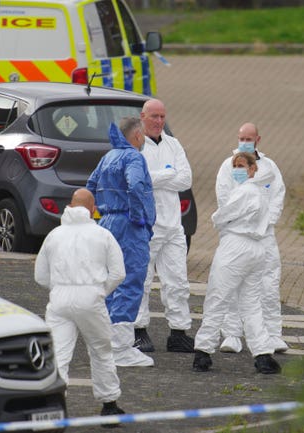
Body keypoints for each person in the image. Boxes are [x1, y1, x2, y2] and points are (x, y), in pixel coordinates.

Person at [34, 188, 127, 420]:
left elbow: (40, 276)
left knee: (57, 354)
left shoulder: (54, 234)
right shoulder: (102, 234)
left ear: (70, 206)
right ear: (92, 209)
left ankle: (53, 407)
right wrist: (99, 291)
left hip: (59, 300)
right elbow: (118, 273)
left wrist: (58, 288)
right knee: (101, 351)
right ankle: (109, 405)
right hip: (91, 297)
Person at [193, 152, 281, 374]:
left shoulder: (244, 191)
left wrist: (217, 219)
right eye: (235, 165)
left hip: (235, 247)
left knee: (217, 298)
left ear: (253, 169)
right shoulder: (261, 193)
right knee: (251, 303)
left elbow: (222, 216)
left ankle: (203, 352)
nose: (237, 169)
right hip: (256, 248)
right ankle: (262, 354)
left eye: (241, 165)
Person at [86, 117, 156, 367]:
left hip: (107, 222)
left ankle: (106, 342)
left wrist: (97, 215)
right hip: (128, 225)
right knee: (130, 280)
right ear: (137, 135)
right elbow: (136, 185)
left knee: (110, 279)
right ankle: (122, 347)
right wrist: (139, 217)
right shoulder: (134, 157)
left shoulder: (108, 156)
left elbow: (90, 186)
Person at [215, 122, 288, 354]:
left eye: (249, 138)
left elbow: (277, 196)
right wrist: (238, 226)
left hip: (264, 236)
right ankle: (232, 335)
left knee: (268, 283)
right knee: (231, 283)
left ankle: (273, 335)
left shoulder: (270, 166)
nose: (244, 142)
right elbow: (224, 200)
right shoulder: (228, 167)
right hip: (236, 236)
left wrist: (266, 222)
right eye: (241, 137)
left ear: (258, 139)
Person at [133, 98, 195, 353]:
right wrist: (169, 173)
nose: (159, 122)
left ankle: (178, 332)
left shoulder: (173, 144)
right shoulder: (136, 146)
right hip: (145, 225)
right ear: (143, 117)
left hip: (172, 226)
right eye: (154, 117)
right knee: (142, 280)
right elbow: (138, 180)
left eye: (162, 117)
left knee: (178, 281)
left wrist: (156, 178)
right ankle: (139, 331)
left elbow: (186, 179)